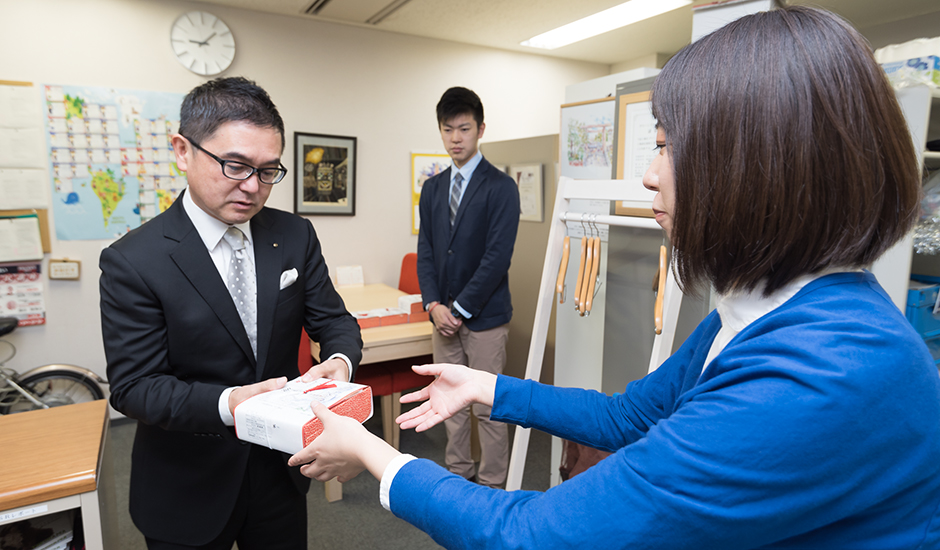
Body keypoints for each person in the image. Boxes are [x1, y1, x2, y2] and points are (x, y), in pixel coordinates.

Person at [288, 7, 940, 549]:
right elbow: (630, 416)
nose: (650, 176)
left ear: (757, 165)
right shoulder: (771, 308)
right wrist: (488, 385)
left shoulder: (817, 373)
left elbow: (531, 536)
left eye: (667, 147)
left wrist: (375, 455)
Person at [100, 77, 362, 550]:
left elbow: (335, 321)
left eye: (268, 171)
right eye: (235, 166)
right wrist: (230, 404)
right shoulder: (134, 260)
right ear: (183, 151)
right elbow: (136, 386)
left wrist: (339, 365)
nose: (253, 187)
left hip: (280, 469)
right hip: (188, 483)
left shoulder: (294, 235)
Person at [414, 86, 521, 487]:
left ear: (480, 129)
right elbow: (426, 251)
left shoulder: (501, 187)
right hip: (441, 316)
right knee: (448, 404)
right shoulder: (433, 188)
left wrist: (458, 309)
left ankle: (493, 485)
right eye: (448, 130)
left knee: (487, 408)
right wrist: (433, 304)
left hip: (485, 317)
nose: (455, 138)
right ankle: (458, 475)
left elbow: (497, 258)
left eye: (464, 129)